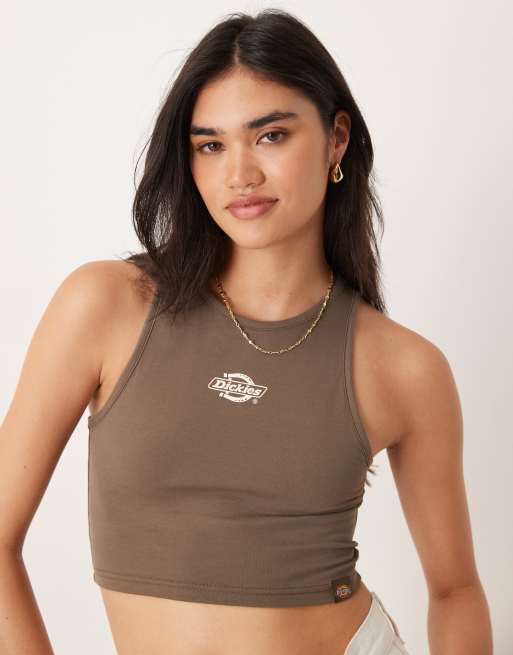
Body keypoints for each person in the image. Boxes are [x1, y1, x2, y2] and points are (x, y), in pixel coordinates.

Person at [0, 8, 493, 655]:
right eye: (211, 145)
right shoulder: (107, 305)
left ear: (336, 138)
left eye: (270, 136)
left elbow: (455, 590)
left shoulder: (402, 365)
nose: (240, 174)